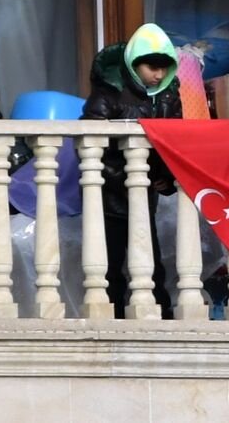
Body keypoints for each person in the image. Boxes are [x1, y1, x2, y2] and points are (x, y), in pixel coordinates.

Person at [82, 22, 182, 318]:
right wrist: (130, 180)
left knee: (150, 263)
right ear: (133, 64)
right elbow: (91, 150)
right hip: (107, 196)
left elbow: (173, 141)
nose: (159, 75)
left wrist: (165, 177)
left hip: (143, 193)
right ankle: (110, 321)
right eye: (152, 67)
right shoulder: (107, 95)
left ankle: (160, 317)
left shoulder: (167, 96)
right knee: (108, 265)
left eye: (164, 68)